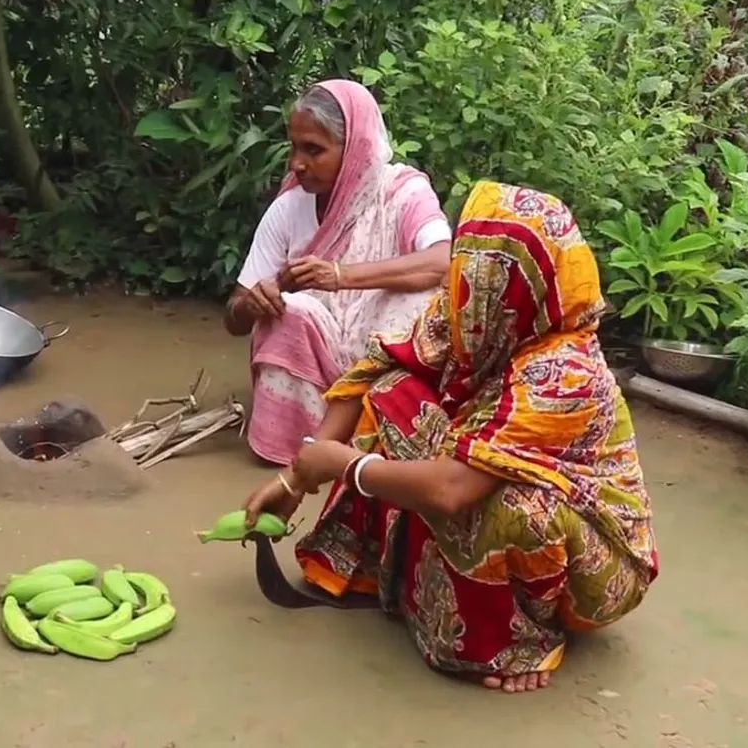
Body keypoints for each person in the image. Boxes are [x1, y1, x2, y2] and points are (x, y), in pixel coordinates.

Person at [240, 181, 659, 693]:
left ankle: (520, 641)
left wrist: (337, 463)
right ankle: (389, 573)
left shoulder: (563, 372)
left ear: (522, 286)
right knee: (393, 393)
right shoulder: (475, 312)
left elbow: (450, 489)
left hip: (594, 556)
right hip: (478, 471)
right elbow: (380, 365)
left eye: (486, 277)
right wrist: (293, 479)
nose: (465, 290)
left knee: (514, 508)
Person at [224, 79, 451, 466]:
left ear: (355, 149)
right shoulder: (288, 209)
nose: (298, 163)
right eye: (295, 147)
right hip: (318, 379)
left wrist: (341, 275)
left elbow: (442, 262)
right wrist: (264, 297)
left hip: (382, 368)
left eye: (314, 150)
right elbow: (234, 318)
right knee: (288, 312)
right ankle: (305, 451)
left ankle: (387, 429)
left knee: (418, 294)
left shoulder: (402, 193)